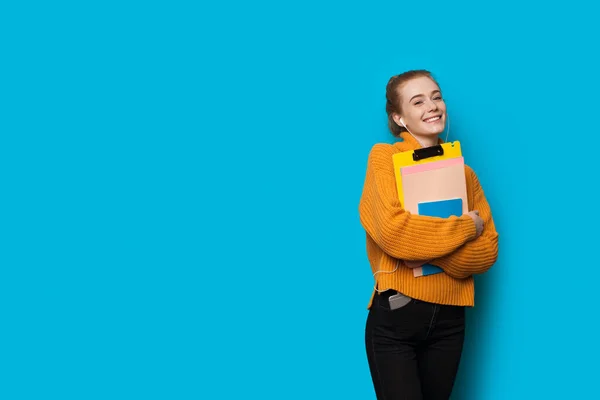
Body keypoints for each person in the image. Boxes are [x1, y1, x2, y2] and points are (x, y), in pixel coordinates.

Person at [358, 70, 499, 400]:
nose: (432, 106)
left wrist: (421, 247)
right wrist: (467, 227)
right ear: (398, 116)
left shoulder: (465, 174)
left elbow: (488, 251)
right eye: (417, 101)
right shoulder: (385, 158)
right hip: (398, 317)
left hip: (451, 321)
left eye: (436, 97)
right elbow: (394, 234)